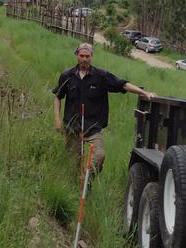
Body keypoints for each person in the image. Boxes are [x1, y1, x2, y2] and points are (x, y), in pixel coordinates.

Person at [52, 42, 156, 172]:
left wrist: (144, 93)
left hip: (93, 128)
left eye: (87, 56)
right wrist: (57, 120)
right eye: (82, 56)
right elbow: (57, 96)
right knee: (73, 164)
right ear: (77, 55)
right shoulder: (67, 76)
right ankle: (77, 187)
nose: (84, 59)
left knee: (99, 156)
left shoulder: (101, 76)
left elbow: (122, 84)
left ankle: (87, 179)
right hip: (72, 128)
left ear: (92, 56)